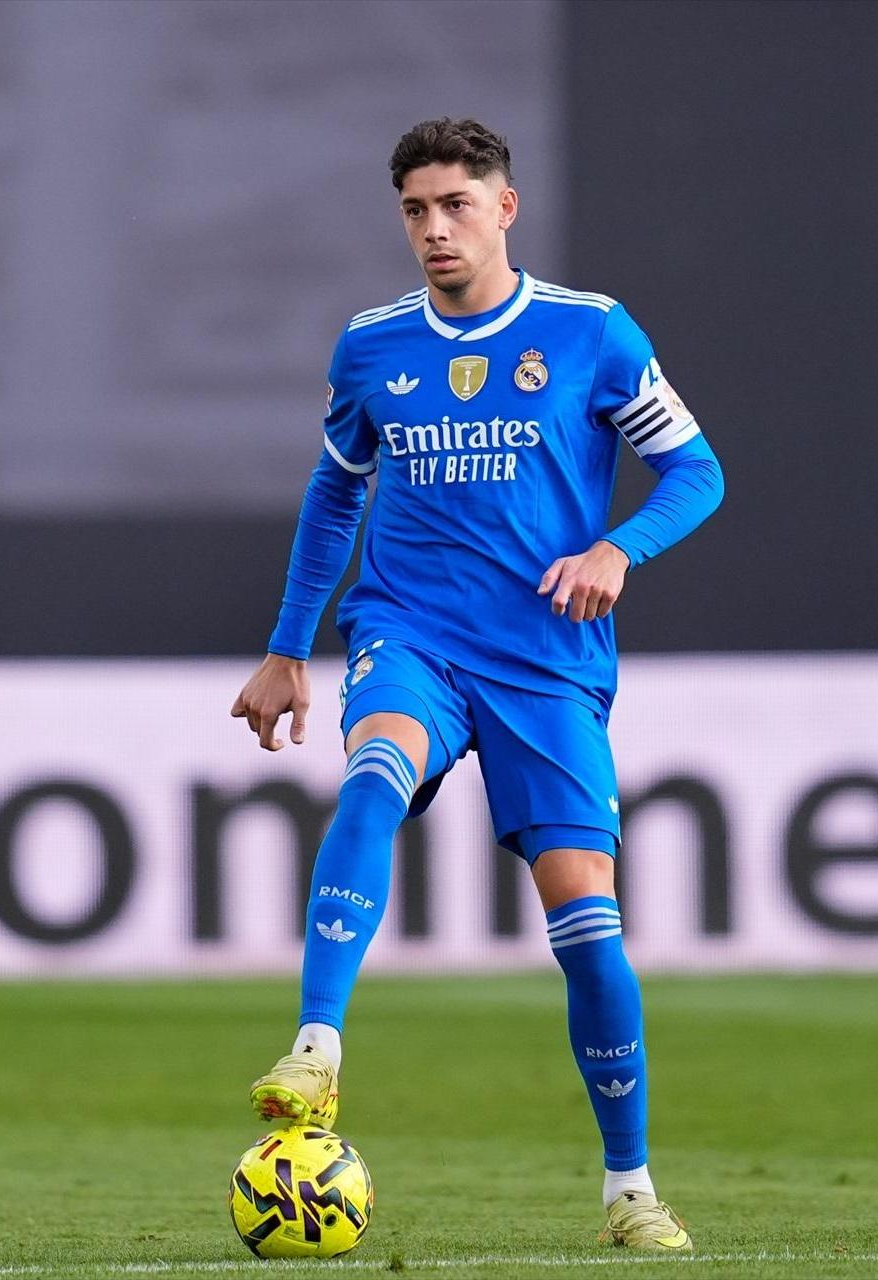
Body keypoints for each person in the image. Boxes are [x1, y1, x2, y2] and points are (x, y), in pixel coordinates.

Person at [230, 118, 725, 1251]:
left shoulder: (589, 333)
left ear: (504, 207)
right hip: (410, 631)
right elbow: (334, 496)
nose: (433, 228)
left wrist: (616, 549)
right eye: (414, 209)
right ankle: (315, 1047)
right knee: (370, 776)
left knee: (588, 926)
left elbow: (695, 468)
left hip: (546, 658)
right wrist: (286, 643)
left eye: (454, 204)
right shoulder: (370, 347)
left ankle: (628, 1187)